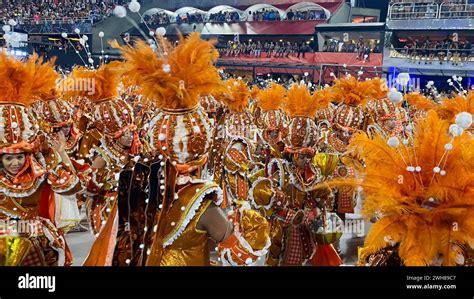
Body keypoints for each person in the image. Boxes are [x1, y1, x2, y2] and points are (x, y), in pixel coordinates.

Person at [0, 53, 81, 266]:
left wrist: (62, 154)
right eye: (9, 158)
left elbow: (72, 187)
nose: (15, 163)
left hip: (37, 239)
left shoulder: (39, 169)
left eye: (19, 157)